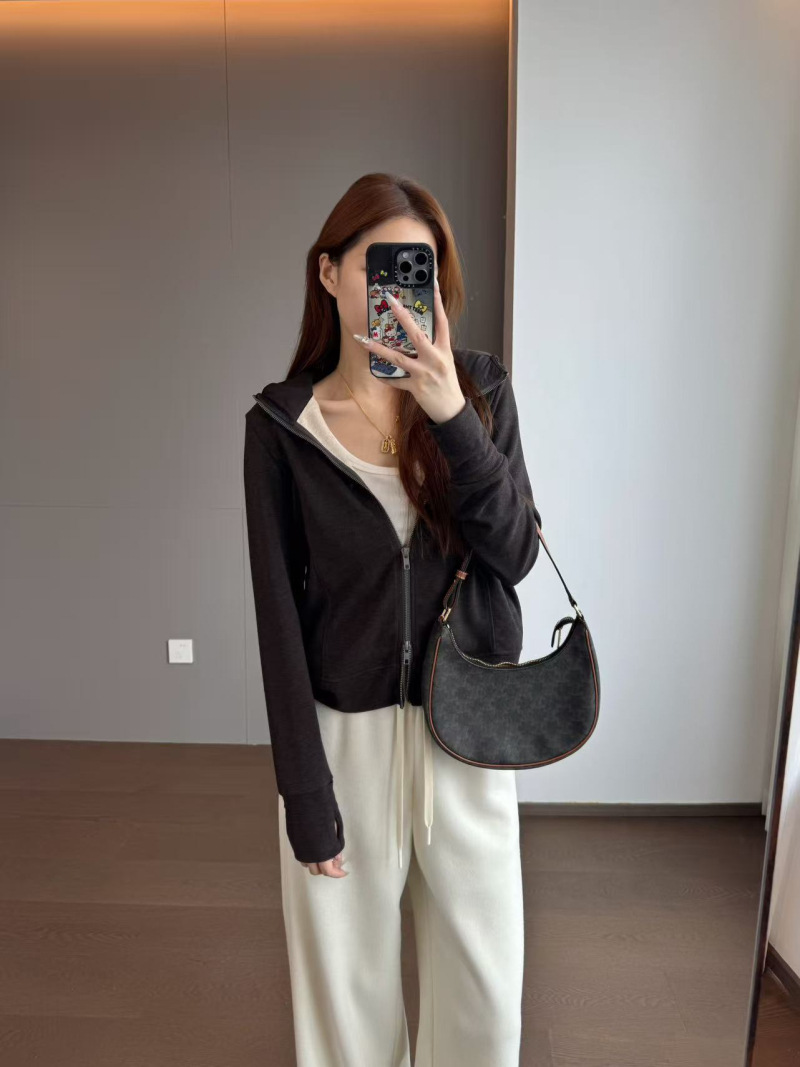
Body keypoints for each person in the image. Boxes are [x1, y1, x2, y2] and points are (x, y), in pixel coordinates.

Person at [243, 172, 542, 1067]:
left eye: (421, 271)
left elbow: (516, 552)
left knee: (485, 1011)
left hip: (468, 737)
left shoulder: (480, 393)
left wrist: (449, 415)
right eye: (382, 267)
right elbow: (278, 624)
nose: (402, 292)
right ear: (330, 272)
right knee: (348, 1017)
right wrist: (306, 798)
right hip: (345, 742)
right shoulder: (283, 426)